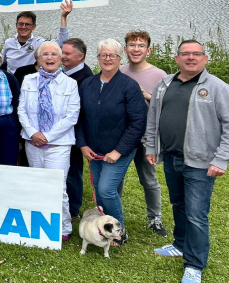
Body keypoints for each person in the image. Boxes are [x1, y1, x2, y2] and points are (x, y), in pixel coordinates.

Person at [146, 40, 229, 283]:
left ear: (205, 58)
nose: (190, 58)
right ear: (176, 58)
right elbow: (153, 118)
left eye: (196, 54)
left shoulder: (217, 87)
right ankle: (180, 244)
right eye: (185, 54)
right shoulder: (165, 84)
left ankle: (194, 264)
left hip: (201, 164)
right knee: (179, 204)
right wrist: (152, 146)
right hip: (172, 157)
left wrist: (221, 159)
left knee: (196, 215)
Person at [76, 39, 146, 246]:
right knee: (98, 188)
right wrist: (83, 145)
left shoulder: (129, 86)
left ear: (119, 58)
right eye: (103, 55)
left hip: (119, 151)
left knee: (106, 190)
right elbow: (78, 117)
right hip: (93, 150)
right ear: (97, 58)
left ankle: (119, 232)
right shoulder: (87, 84)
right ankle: (105, 226)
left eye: (112, 55)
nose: (107, 59)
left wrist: (118, 151)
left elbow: (138, 122)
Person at [18, 41, 80, 242]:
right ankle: (40, 222)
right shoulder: (28, 80)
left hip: (58, 145)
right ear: (38, 59)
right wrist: (33, 132)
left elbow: (72, 116)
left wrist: (48, 136)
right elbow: (22, 110)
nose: (50, 57)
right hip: (32, 142)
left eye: (54, 54)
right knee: (37, 184)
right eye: (45, 54)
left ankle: (63, 227)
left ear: (61, 59)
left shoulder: (70, 84)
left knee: (57, 187)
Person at [119, 30, 168, 237]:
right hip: (122, 136)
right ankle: (113, 216)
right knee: (116, 179)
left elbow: (166, 106)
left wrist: (146, 95)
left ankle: (154, 218)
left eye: (140, 46)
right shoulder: (118, 70)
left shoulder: (159, 75)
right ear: (125, 49)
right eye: (132, 45)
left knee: (148, 179)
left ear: (148, 50)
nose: (136, 49)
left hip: (147, 136)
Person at [61, 38, 94, 219]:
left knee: (73, 171)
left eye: (67, 53)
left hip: (74, 132)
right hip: (64, 131)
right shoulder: (66, 72)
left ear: (80, 56)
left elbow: (82, 111)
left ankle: (73, 210)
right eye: (62, 52)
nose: (62, 56)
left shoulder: (85, 78)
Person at [0, 1, 72, 74]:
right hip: (13, 83)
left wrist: (63, 17)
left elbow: (62, 43)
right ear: (16, 25)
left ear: (34, 27)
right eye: (21, 24)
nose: (23, 27)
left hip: (32, 82)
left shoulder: (39, 43)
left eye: (27, 24)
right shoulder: (8, 43)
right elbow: (0, 62)